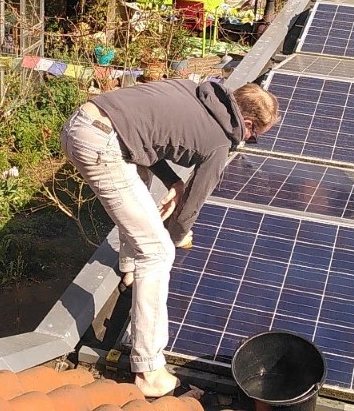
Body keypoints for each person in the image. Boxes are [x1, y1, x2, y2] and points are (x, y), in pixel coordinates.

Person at [59, 79, 279, 398]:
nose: (249, 141)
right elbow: (192, 205)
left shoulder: (195, 92)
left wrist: (172, 180)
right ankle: (149, 370)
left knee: (142, 185)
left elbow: (142, 137)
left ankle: (130, 266)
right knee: (158, 254)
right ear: (246, 123)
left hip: (86, 123)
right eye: (254, 137)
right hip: (101, 143)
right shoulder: (221, 140)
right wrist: (172, 239)